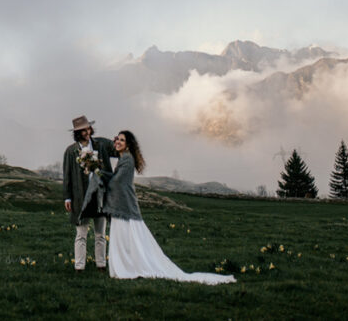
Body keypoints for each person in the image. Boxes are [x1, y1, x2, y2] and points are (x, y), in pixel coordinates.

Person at [102, 130, 236, 284]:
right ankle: (127, 265)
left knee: (129, 239)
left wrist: (99, 175)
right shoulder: (124, 158)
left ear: (128, 145)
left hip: (124, 208)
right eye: (117, 139)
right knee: (128, 240)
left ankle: (128, 267)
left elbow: (117, 183)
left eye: (122, 140)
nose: (118, 142)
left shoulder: (127, 159)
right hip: (123, 207)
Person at [61, 115, 115, 272]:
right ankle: (79, 266)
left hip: (100, 194)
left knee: (100, 233)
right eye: (83, 130)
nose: (86, 131)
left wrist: (122, 141)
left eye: (88, 128)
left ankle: (101, 265)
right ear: (77, 133)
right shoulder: (71, 151)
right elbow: (67, 176)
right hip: (80, 197)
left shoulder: (100, 144)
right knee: (81, 234)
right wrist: (67, 197)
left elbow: (117, 150)